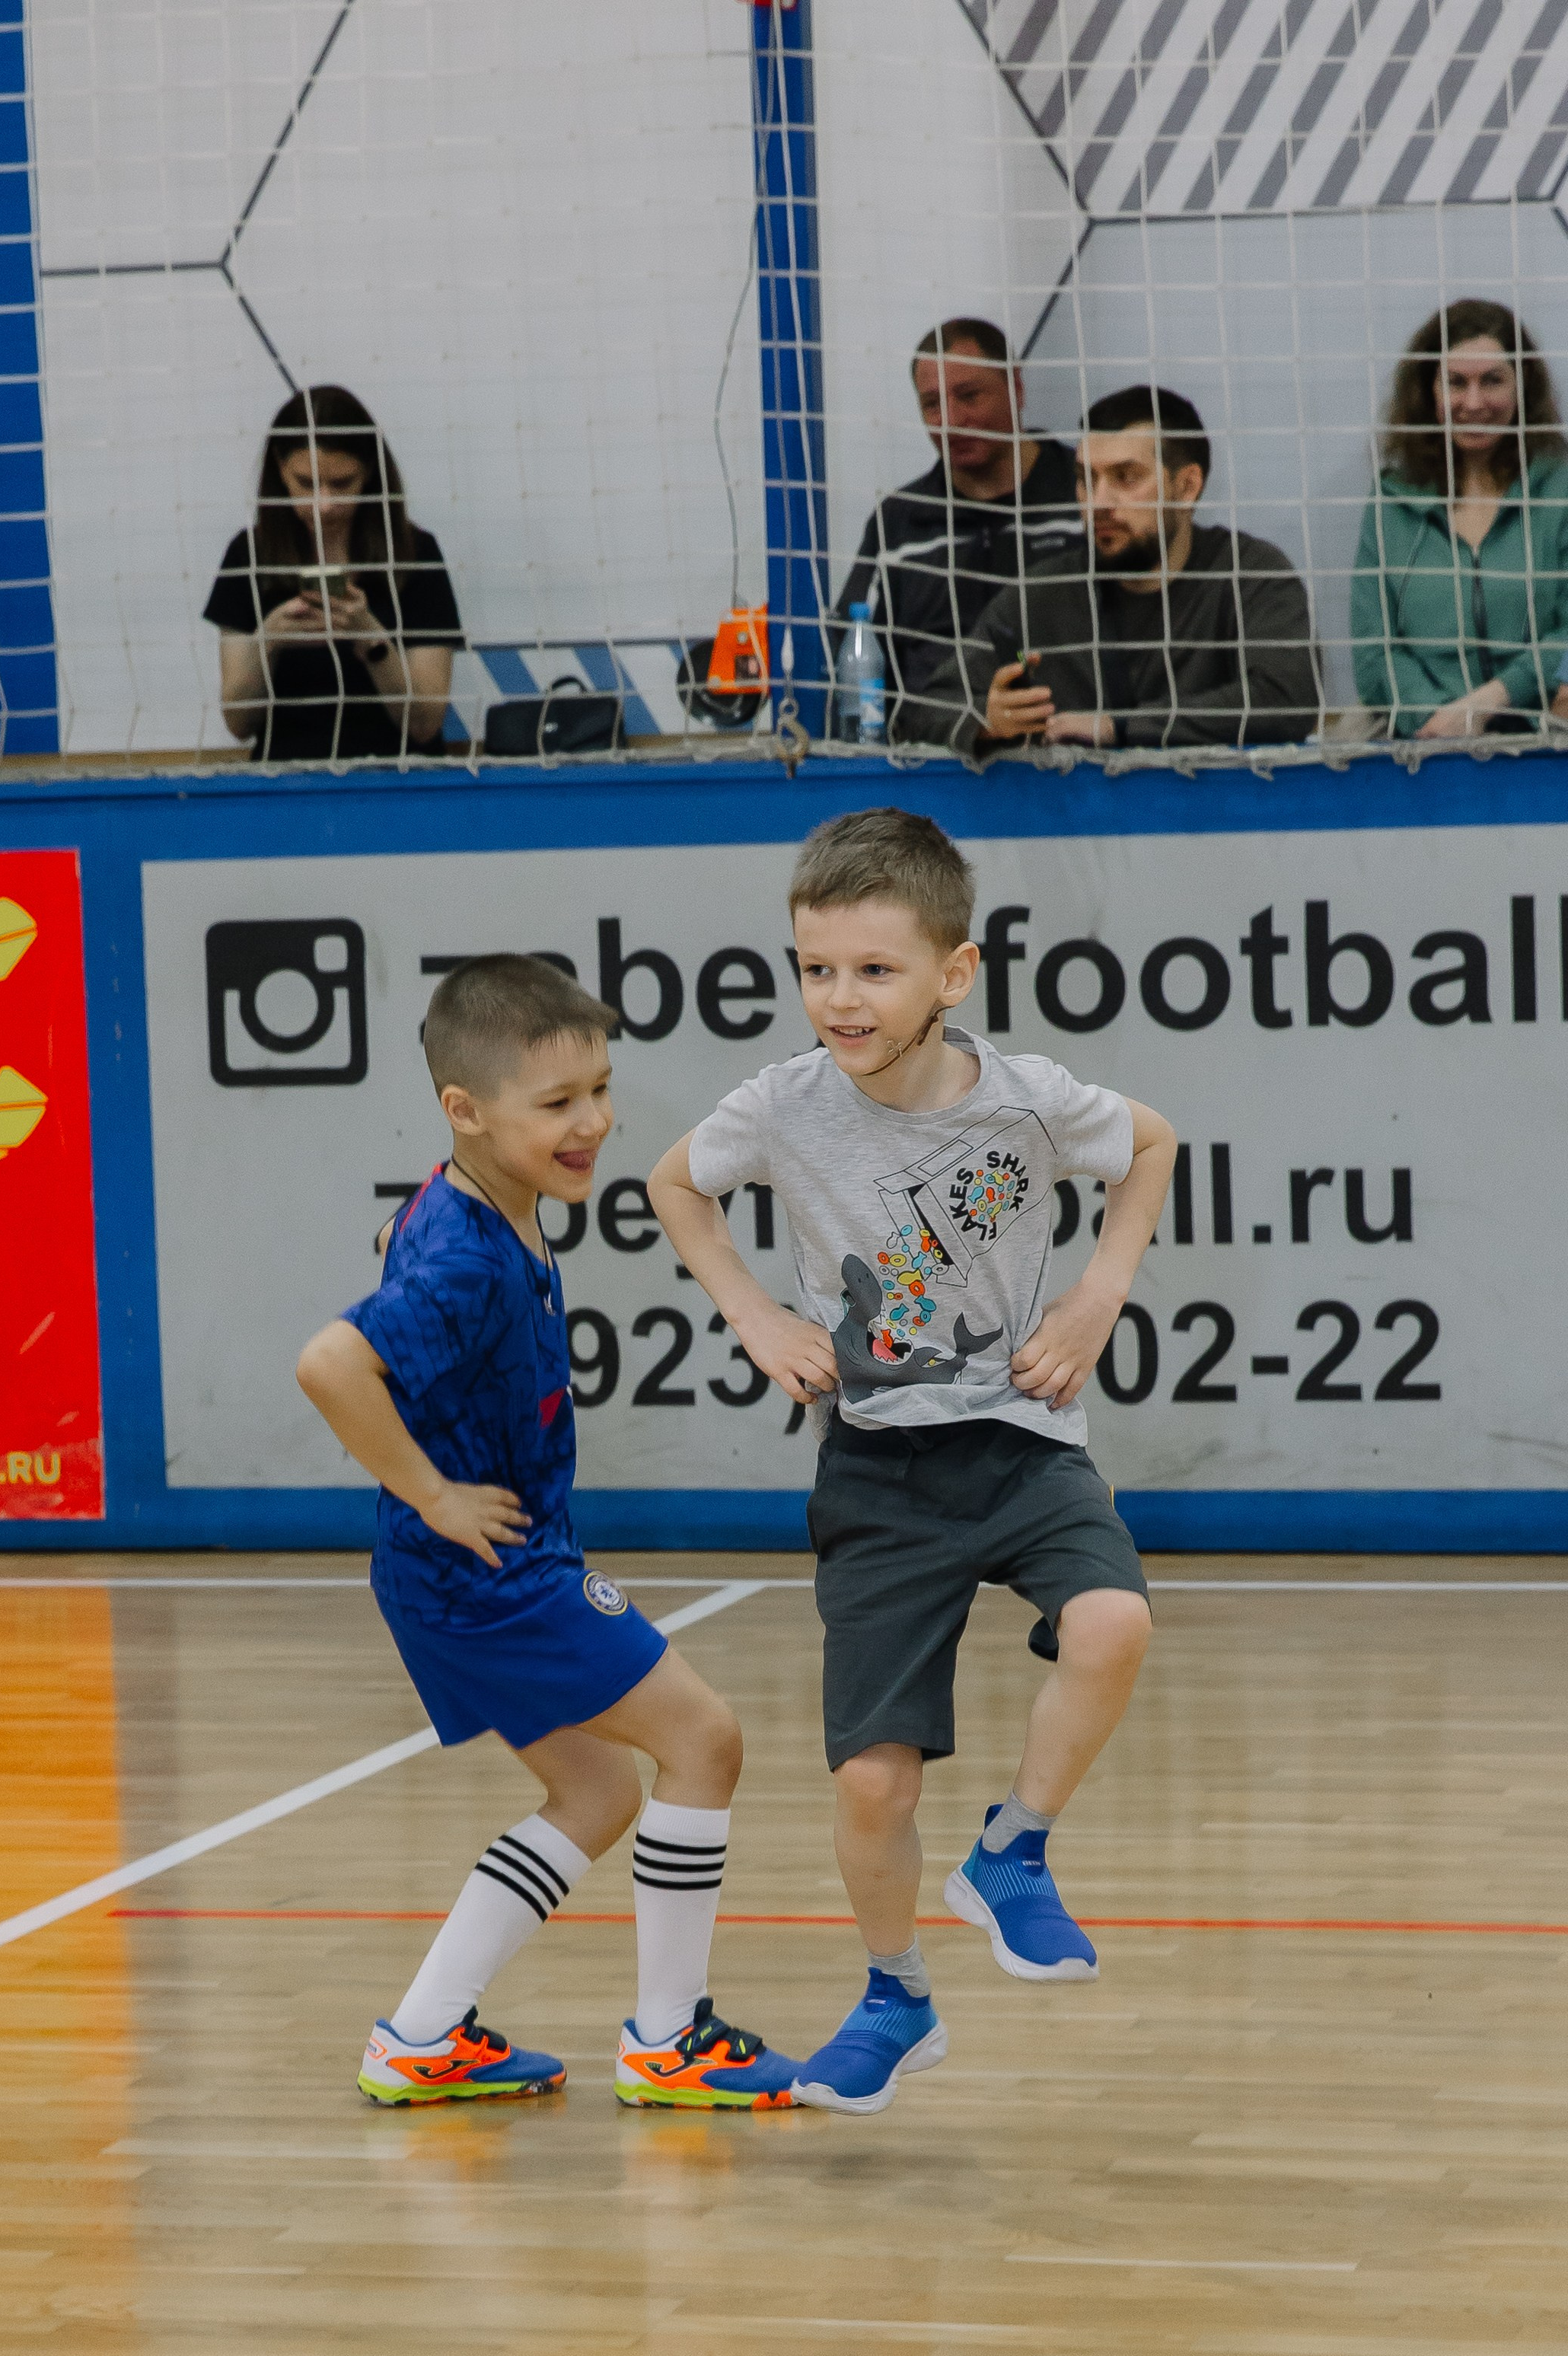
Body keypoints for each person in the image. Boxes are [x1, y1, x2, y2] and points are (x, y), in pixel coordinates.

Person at [649, 809, 1174, 2115]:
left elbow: (1149, 1144)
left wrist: (1101, 1293)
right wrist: (753, 1312)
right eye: (814, 968)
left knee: (1110, 1624)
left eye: (873, 970)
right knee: (868, 1786)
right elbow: (674, 1186)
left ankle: (1013, 1854)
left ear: (953, 973)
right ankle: (895, 1995)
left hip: (1020, 1443)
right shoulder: (780, 1104)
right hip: (879, 1475)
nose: (839, 997)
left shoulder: (1026, 1100)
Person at [295, 955, 797, 2111]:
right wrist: (433, 1492)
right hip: (486, 1573)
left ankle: (421, 2035)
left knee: (597, 1796)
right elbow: (330, 1362)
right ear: (463, 1110)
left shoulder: (469, 1201)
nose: (594, 1123)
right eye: (557, 1102)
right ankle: (668, 2039)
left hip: (466, 1574)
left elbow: (395, 1248)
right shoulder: (470, 1253)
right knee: (705, 1740)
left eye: (600, 1090)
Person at [894, 385, 1319, 754]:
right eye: (1086, 479)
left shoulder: (1252, 576)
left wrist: (1118, 728)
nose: (1098, 503)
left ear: (1187, 486)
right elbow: (928, 709)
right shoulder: (1043, 594)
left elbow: (1287, 699)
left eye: (1126, 477)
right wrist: (987, 723)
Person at [830, 318, 1080, 724]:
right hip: (932, 762)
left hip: (1072, 754)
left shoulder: (1087, 498)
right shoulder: (899, 522)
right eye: (933, 404)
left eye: (969, 396)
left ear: (1016, 388)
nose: (950, 419)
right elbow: (849, 657)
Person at [205, 385, 464, 761]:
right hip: (288, 783)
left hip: (400, 781)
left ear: (370, 473)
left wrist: (371, 639)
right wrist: (270, 641)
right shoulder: (249, 555)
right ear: (280, 469)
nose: (324, 505)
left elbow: (424, 723)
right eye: (306, 484)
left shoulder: (414, 553)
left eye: (342, 484)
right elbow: (239, 724)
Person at [1351, 301, 1568, 738]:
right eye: (1456, 382)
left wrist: (1490, 702)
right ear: (1428, 391)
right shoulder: (1391, 496)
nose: (1474, 402)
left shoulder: (1562, 486)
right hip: (1423, 743)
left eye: (1492, 381)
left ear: (1522, 386)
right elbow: (1373, 650)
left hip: (1543, 735)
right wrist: (1437, 719)